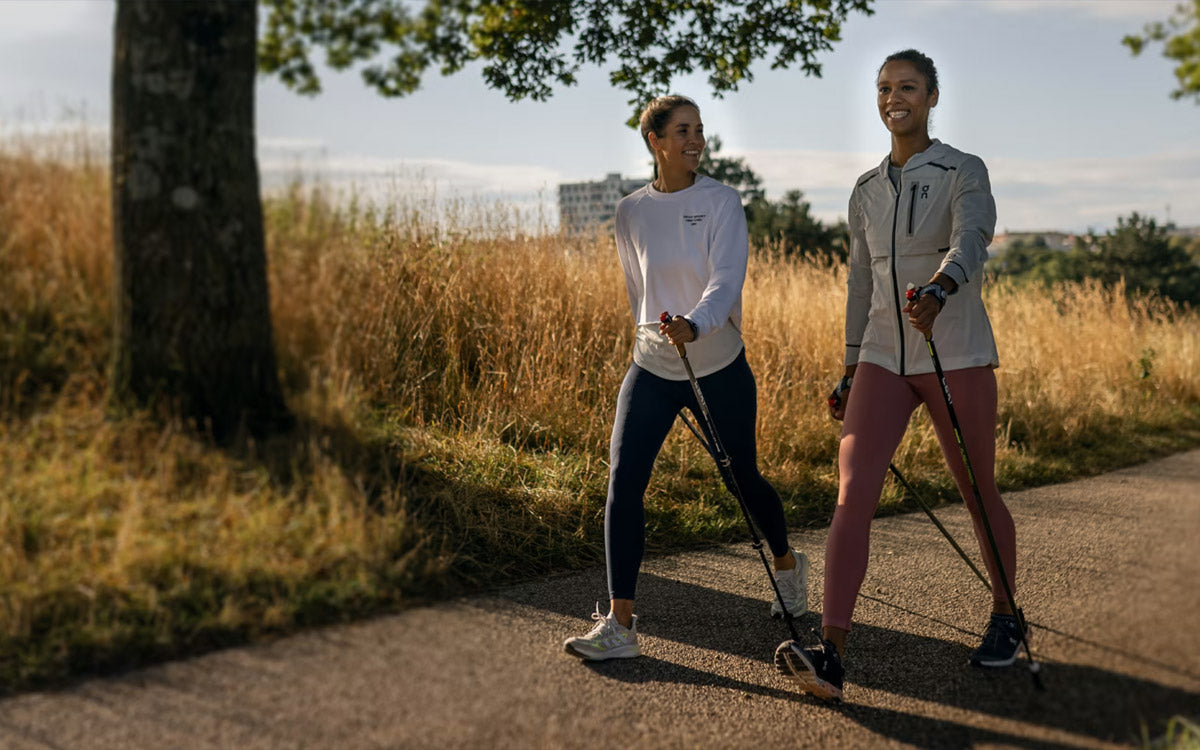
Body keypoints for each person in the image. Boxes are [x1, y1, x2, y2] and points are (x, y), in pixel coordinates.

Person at [776, 50, 1021, 700]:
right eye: (884, 89)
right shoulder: (864, 189)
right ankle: (831, 652)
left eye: (907, 87)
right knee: (853, 491)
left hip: (954, 350)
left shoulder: (961, 169)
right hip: (885, 355)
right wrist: (851, 367)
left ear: (932, 96)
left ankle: (1005, 613)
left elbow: (973, 235)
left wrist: (942, 286)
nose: (894, 98)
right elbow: (860, 284)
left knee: (975, 488)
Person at [563, 95, 809, 661]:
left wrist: (695, 325)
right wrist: (660, 334)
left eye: (699, 130)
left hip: (716, 360)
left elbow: (726, 281)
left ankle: (787, 563)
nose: (695, 140)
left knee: (742, 478)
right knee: (624, 482)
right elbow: (637, 290)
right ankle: (620, 625)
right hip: (652, 364)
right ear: (655, 141)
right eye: (682, 131)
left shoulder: (722, 200)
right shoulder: (630, 210)